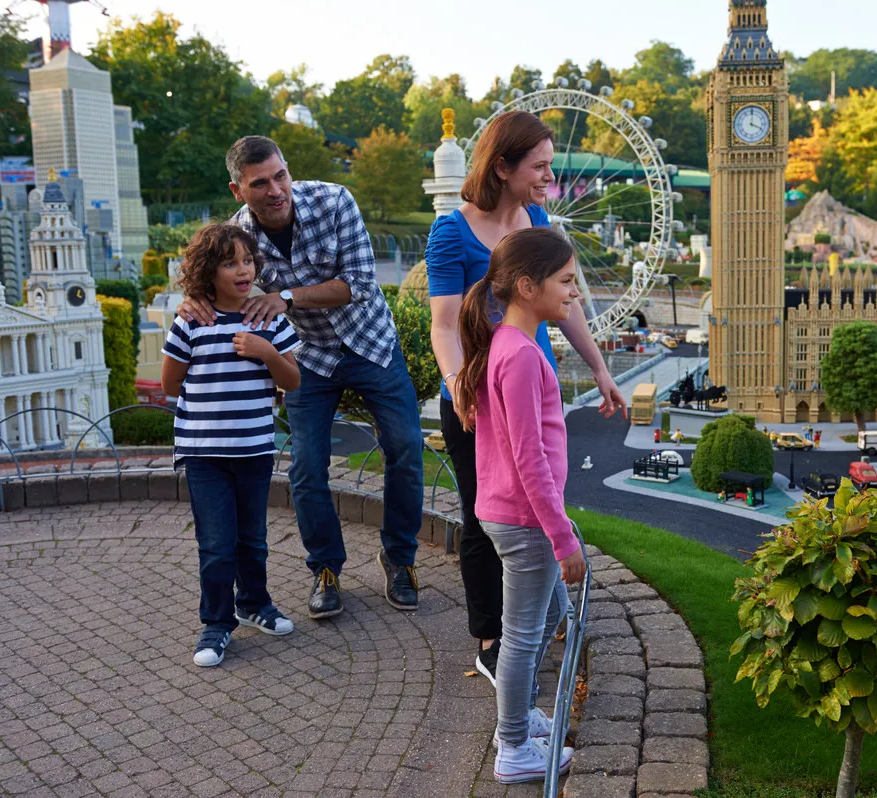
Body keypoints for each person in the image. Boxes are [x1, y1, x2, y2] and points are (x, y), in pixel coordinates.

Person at [179, 136, 423, 619]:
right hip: (308, 356)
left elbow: (358, 284)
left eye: (281, 175)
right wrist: (193, 301)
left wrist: (284, 297)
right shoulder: (237, 234)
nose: (276, 190)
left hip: (369, 342)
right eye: (260, 183)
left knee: (406, 448)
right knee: (307, 469)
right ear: (237, 190)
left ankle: (399, 559)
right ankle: (325, 569)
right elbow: (204, 278)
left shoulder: (334, 201)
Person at [425, 111, 626, 685]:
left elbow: (567, 305)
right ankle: (492, 637)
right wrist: (463, 388)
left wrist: (600, 369)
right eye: (539, 167)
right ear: (502, 166)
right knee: (484, 517)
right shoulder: (451, 232)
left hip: (525, 388)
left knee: (537, 497)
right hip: (474, 399)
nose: (549, 178)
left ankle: (540, 609)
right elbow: (444, 325)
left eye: (551, 165)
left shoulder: (537, 219)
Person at [455, 227, 581, 783]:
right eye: (566, 281)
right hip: (526, 520)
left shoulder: (502, 345)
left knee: (548, 615)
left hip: (511, 512)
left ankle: (522, 715)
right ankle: (513, 748)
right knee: (524, 636)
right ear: (528, 287)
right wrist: (562, 537)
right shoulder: (523, 356)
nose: (574, 293)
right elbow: (529, 459)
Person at [161, 224, 303, 667]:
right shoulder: (190, 321)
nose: (242, 270)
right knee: (218, 543)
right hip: (204, 454)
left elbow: (293, 380)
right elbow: (170, 382)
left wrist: (266, 352)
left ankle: (254, 603)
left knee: (252, 540)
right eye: (229, 263)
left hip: (254, 450)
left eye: (247, 260)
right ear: (208, 272)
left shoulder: (269, 321)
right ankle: (217, 624)